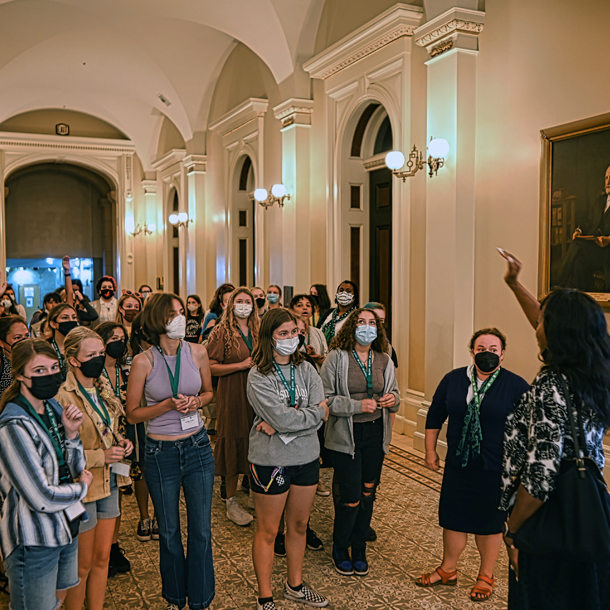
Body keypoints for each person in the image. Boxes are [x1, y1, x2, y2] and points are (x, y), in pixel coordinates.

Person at [500, 287, 610, 609]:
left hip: (550, 525)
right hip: (590, 515)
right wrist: (514, 283)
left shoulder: (551, 385)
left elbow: (540, 475)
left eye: (542, 321)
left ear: (557, 329)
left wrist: (513, 530)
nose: (536, 326)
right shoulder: (596, 377)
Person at [419, 328, 529, 601]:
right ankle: (448, 569)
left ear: (502, 354)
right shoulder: (454, 379)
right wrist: (430, 450)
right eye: (481, 349)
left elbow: (529, 428)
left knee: (489, 523)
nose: (487, 354)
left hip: (496, 466)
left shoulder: (516, 385)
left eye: (493, 349)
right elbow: (435, 415)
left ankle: (486, 575)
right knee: (453, 518)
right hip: (459, 461)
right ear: (472, 351)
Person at [126, 292, 215, 610]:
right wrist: (164, 405)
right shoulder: (143, 361)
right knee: (169, 532)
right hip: (160, 453)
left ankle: (201, 599)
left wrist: (196, 401)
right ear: (156, 320)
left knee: (201, 531)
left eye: (181, 312)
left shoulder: (198, 352)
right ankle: (176, 598)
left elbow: (208, 392)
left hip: (197, 447)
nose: (179, 318)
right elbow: (132, 413)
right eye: (171, 314)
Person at [0, 339, 93, 610]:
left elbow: (75, 467)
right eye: (39, 371)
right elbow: (41, 496)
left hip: (66, 526)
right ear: (19, 376)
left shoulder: (52, 407)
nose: (50, 375)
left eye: (54, 367)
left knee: (57, 599)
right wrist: (81, 488)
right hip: (35, 539)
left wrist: (73, 434)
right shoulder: (13, 425)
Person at [247, 309, 330, 610]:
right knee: (268, 530)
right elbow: (286, 417)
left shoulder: (307, 369)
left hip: (306, 457)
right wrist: (304, 417)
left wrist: (291, 421)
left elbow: (322, 412)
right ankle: (265, 596)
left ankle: (295, 585)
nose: (291, 339)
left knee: (299, 525)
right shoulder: (258, 375)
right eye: (283, 334)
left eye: (294, 332)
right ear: (269, 338)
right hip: (270, 460)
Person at [58, 327, 133, 610]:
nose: (99, 359)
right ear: (74, 360)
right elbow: (62, 454)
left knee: (103, 558)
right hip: (84, 485)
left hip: (110, 481)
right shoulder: (62, 395)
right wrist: (102, 455)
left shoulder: (102, 386)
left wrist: (122, 444)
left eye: (101, 353)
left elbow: (107, 429)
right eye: (91, 355)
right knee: (82, 565)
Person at [321, 308, 399, 577]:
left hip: (376, 434)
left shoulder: (384, 359)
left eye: (372, 323)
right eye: (361, 322)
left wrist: (393, 400)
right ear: (351, 327)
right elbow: (326, 399)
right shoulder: (335, 358)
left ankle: (359, 548)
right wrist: (356, 405)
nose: (367, 327)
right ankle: (340, 547)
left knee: (369, 491)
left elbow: (395, 394)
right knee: (351, 497)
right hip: (346, 435)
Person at [207, 287, 259, 526]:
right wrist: (239, 366)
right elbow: (210, 366)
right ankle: (230, 500)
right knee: (232, 440)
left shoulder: (259, 329)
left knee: (255, 441)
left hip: (257, 393)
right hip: (233, 391)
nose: (243, 305)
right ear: (231, 305)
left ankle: (253, 494)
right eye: (239, 301)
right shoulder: (221, 331)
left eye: (248, 301)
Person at [95, 322, 135, 575]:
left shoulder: (126, 369)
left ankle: (113, 544)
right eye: (113, 338)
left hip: (124, 438)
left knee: (118, 489)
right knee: (101, 491)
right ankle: (99, 546)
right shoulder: (92, 371)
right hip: (100, 439)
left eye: (122, 338)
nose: (118, 343)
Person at [558, 165, 610, 291]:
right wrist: (579, 230)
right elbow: (589, 221)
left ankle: (559, 284)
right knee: (579, 264)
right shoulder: (601, 201)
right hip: (595, 249)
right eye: (606, 178)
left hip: (608, 251)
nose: (608, 182)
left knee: (577, 244)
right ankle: (579, 297)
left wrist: (609, 239)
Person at [290, 294, 327, 370]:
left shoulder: (318, 332)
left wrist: (317, 358)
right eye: (299, 305)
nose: (305, 308)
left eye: (308, 306)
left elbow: (326, 359)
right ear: (292, 310)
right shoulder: (289, 332)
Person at [47, 304, 79, 381]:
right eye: (65, 318)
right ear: (53, 324)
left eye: (74, 317)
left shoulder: (81, 346)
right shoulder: (46, 348)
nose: (71, 321)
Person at [0, 316, 30, 395]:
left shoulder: (33, 359)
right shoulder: (3, 364)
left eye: (27, 336)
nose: (24, 341)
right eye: (17, 338)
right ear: (1, 342)